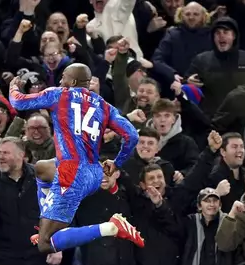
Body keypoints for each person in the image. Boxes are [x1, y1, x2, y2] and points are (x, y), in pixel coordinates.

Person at [8, 63, 143, 254]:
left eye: (63, 77)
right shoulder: (104, 106)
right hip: (94, 173)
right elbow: (132, 136)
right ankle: (46, 222)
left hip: (70, 174)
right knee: (41, 168)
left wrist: (13, 87)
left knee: (45, 245)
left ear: (71, 81)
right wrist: (117, 162)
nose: (61, 80)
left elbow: (18, 102)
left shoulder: (60, 94)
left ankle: (110, 227)